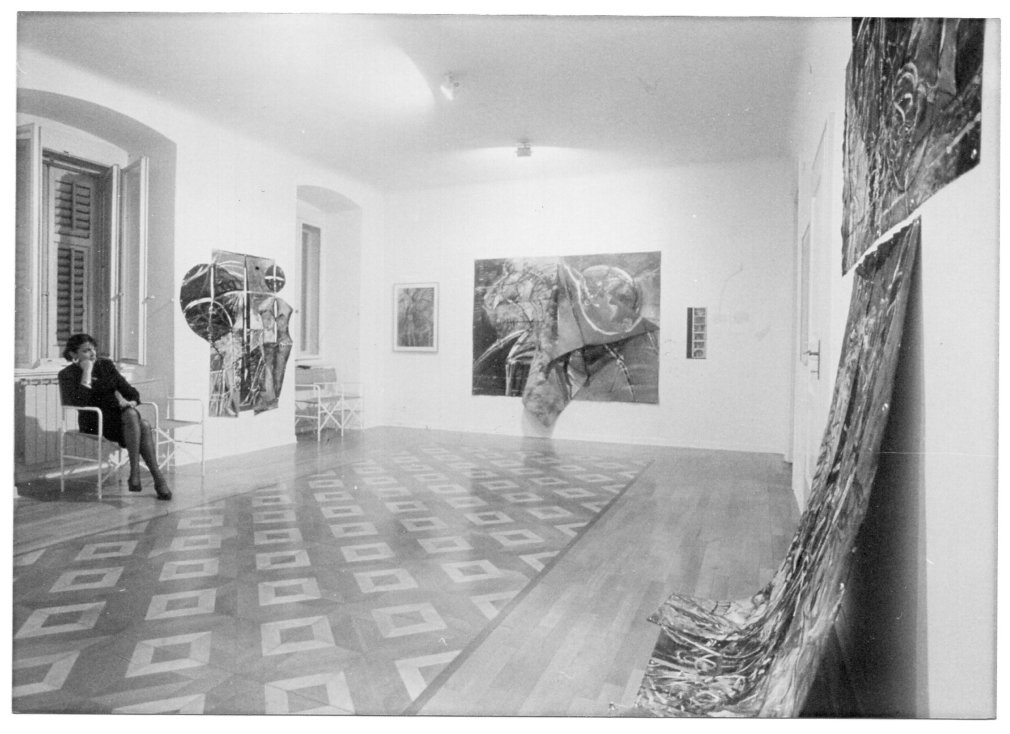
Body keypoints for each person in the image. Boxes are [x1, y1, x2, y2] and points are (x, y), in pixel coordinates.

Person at [58, 333, 172, 500]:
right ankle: (154, 478)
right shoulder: (67, 374)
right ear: (74, 354)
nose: (93, 353)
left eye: (94, 349)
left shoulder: (105, 365)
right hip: (93, 421)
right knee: (144, 425)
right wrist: (87, 372)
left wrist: (131, 402)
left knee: (134, 416)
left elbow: (130, 391)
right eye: (86, 351)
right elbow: (79, 402)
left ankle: (136, 474)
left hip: (118, 418)